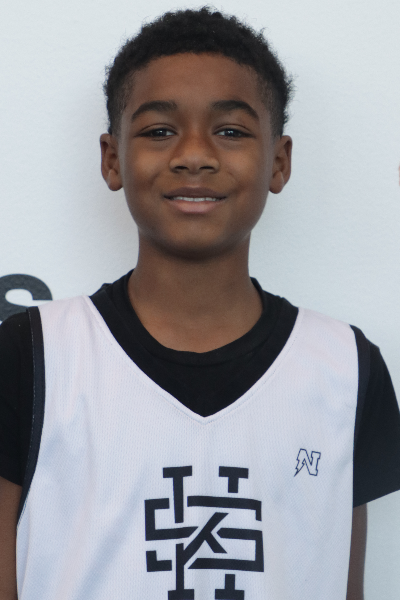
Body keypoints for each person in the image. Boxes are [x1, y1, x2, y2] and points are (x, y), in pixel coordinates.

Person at [1, 7, 399, 600]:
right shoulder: (31, 354)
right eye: (159, 131)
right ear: (112, 159)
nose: (194, 154)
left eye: (231, 131)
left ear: (279, 162)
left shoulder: (344, 369)